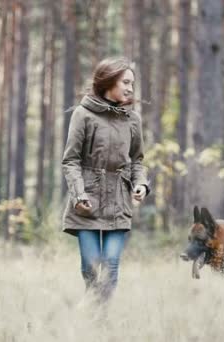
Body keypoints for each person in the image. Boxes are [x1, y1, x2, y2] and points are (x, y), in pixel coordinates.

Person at [61, 56, 150, 304]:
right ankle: (92, 307)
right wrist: (79, 194)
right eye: (126, 82)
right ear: (108, 81)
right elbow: (70, 160)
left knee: (111, 265)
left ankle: (100, 316)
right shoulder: (83, 114)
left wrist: (141, 184)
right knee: (91, 266)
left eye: (133, 83)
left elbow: (137, 161)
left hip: (119, 204)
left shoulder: (133, 119)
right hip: (86, 203)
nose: (131, 88)